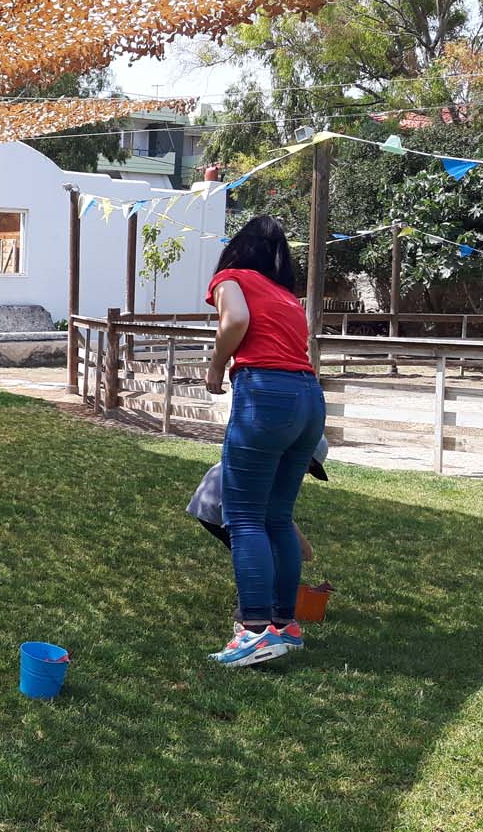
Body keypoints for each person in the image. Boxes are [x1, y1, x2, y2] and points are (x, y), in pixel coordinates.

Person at [203, 215, 327, 668]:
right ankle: (285, 624)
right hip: (309, 399)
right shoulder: (286, 296)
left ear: (236, 249)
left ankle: (254, 631)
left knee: (244, 517)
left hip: (265, 395)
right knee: (277, 516)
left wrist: (217, 365)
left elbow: (236, 319)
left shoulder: (231, 278)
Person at [188, 437, 328, 628]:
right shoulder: (274, 467)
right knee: (259, 558)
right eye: (308, 466)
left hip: (209, 501)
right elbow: (278, 518)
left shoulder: (269, 454)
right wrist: (301, 547)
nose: (306, 472)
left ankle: (258, 606)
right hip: (219, 505)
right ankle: (249, 619)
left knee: (260, 555)